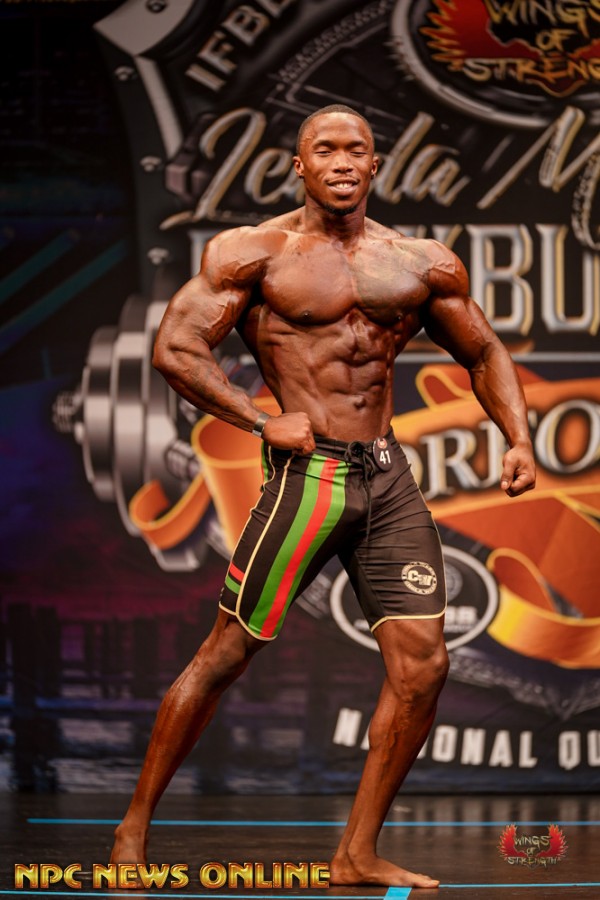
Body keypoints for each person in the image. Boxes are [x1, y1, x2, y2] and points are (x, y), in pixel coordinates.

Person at [110, 105, 536, 888]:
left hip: (388, 479)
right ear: (299, 165)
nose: (342, 161)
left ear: (376, 165)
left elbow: (483, 350)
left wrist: (517, 437)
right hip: (310, 479)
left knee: (424, 666)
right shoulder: (255, 254)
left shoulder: (420, 262)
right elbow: (176, 347)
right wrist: (258, 417)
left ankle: (355, 852)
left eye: (356, 150)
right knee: (226, 654)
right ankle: (132, 829)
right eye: (325, 149)